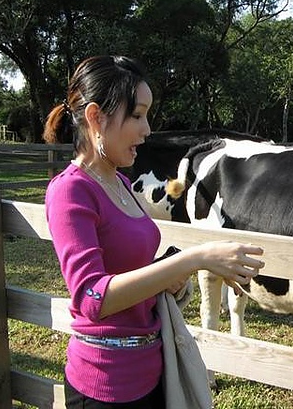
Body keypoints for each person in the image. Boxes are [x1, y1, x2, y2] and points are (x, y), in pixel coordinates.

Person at [43, 55, 265, 408]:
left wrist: (168, 277)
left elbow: (130, 270)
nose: (147, 129)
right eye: (137, 115)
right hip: (106, 386)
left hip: (154, 373)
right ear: (96, 117)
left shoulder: (119, 181)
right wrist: (196, 259)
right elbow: (91, 298)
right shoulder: (70, 190)